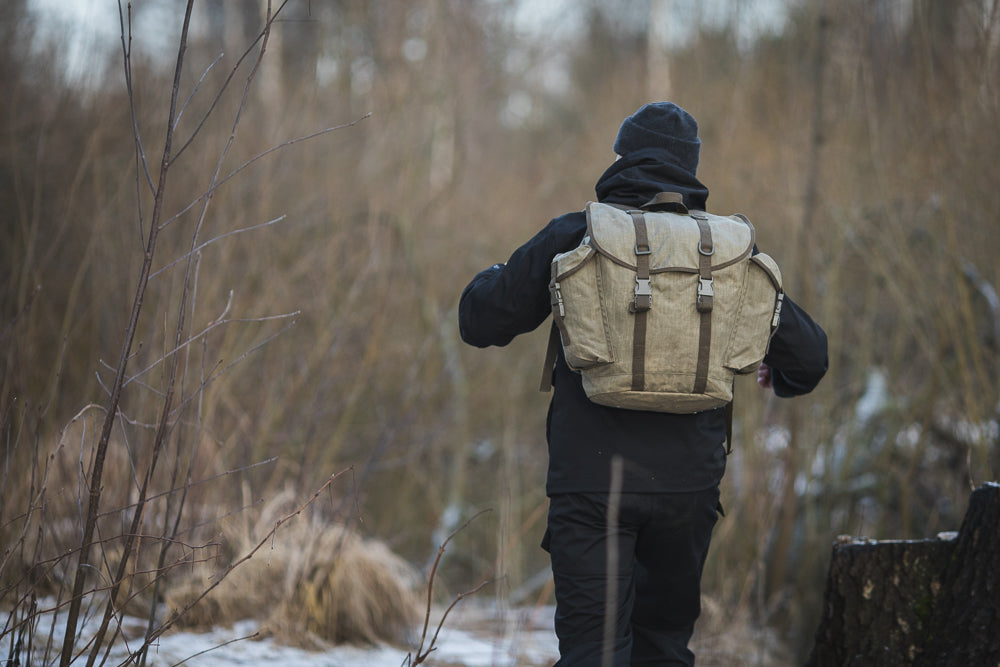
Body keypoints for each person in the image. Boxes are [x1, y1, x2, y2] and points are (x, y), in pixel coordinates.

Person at [458, 102, 828, 666]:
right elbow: (812, 358)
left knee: (594, 654)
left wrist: (494, 276)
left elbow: (481, 321)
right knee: (663, 649)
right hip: (688, 489)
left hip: (591, 485)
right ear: (691, 169)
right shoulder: (730, 251)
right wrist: (772, 372)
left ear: (621, 158)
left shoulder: (578, 232)